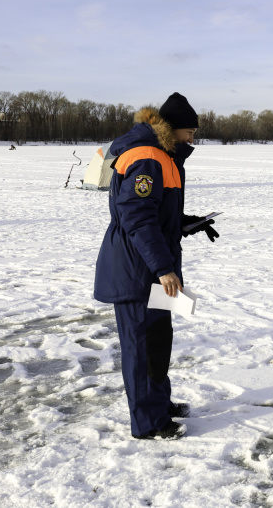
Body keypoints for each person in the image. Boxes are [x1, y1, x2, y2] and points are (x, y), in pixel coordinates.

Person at [94, 92, 219, 440]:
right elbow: (137, 217)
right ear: (174, 129)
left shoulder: (162, 155)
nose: (192, 139)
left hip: (154, 266)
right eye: (189, 132)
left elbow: (155, 213)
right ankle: (147, 422)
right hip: (138, 269)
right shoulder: (148, 157)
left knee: (158, 341)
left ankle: (158, 404)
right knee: (140, 346)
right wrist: (165, 268)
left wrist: (184, 222)